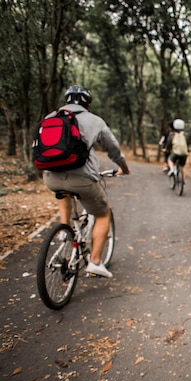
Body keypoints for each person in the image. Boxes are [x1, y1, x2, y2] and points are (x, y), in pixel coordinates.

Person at [42, 85, 130, 278]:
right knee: (103, 213)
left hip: (50, 176)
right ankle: (95, 262)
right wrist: (123, 167)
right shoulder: (94, 120)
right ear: (88, 104)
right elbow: (112, 148)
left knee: (62, 192)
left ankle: (64, 231)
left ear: (66, 102)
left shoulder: (50, 117)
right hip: (81, 179)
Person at [165, 118, 188, 183]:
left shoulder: (172, 134)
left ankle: (172, 169)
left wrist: (167, 149)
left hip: (175, 152)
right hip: (184, 153)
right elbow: (187, 143)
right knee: (183, 165)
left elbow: (169, 143)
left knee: (170, 160)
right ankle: (184, 179)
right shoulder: (185, 134)